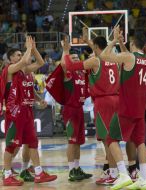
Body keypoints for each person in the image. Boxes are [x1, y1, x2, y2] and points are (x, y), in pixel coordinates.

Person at [63, 28, 119, 185]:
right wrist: (89, 41)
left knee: (108, 140)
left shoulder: (95, 61)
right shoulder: (113, 59)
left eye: (92, 46)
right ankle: (113, 170)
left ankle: (113, 173)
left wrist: (66, 52)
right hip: (116, 99)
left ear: (95, 47)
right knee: (111, 138)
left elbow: (71, 67)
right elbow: (99, 53)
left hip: (103, 101)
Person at [98, 26, 146, 190]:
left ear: (133, 43)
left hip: (127, 108)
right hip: (140, 109)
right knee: (140, 142)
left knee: (110, 139)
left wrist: (113, 40)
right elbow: (128, 60)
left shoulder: (129, 57)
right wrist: (121, 43)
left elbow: (103, 55)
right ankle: (142, 179)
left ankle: (123, 174)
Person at [1, 36, 57, 186]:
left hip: (27, 111)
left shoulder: (25, 72)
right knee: (12, 145)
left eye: (21, 54)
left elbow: (41, 63)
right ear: (11, 58)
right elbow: (25, 61)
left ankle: (38, 173)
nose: (21, 56)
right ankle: (7, 175)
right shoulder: (10, 70)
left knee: (33, 142)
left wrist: (34, 48)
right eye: (18, 55)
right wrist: (28, 49)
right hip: (14, 113)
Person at [46, 38, 92, 181]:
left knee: (78, 142)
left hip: (79, 109)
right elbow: (64, 66)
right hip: (70, 110)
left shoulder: (81, 74)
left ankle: (77, 168)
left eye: (77, 58)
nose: (75, 60)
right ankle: (71, 170)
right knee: (72, 142)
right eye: (72, 58)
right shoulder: (68, 74)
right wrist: (65, 50)